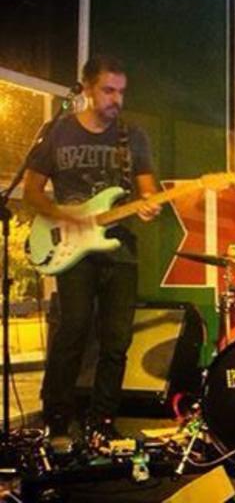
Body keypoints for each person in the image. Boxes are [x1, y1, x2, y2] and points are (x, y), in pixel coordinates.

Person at [23, 55, 161, 449]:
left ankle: (102, 422)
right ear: (85, 88)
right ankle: (57, 420)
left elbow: (147, 190)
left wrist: (149, 205)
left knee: (117, 341)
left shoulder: (132, 136)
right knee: (73, 330)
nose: (117, 99)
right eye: (108, 90)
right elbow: (32, 191)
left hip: (120, 249)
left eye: (121, 91)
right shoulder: (57, 131)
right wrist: (63, 214)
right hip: (71, 247)